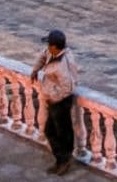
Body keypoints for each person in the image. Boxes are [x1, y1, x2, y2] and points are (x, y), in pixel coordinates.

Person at [31, 29, 79, 176]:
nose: (47, 47)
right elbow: (42, 55)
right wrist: (35, 70)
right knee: (53, 131)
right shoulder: (52, 52)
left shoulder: (61, 65)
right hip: (56, 100)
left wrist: (53, 97)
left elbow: (68, 88)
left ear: (55, 47)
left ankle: (64, 160)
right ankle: (61, 160)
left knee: (59, 132)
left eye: (49, 45)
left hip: (61, 102)